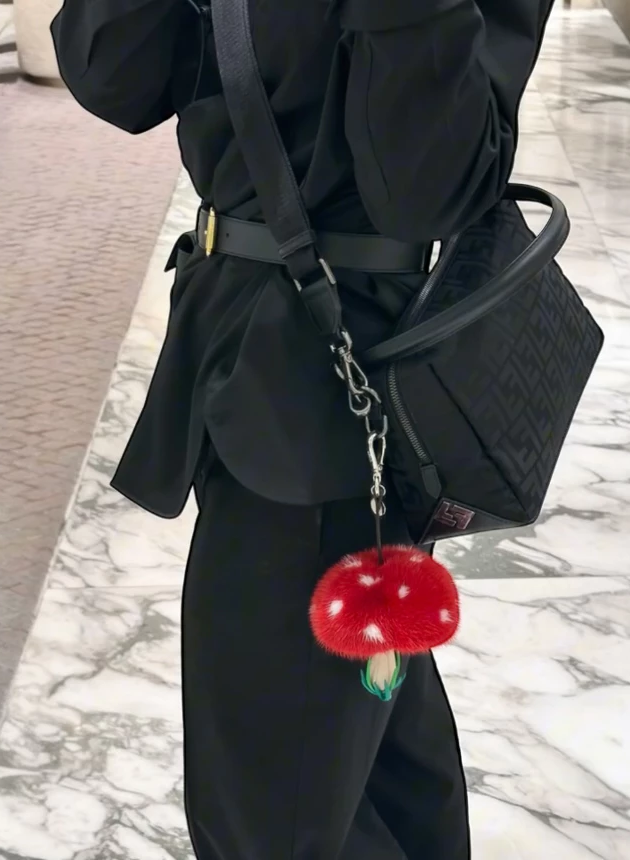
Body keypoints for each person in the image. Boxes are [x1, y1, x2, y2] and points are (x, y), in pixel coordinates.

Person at [51, 0, 554, 856]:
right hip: (235, 358)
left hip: (336, 393)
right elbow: (116, 75)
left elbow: (426, 188)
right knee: (375, 763)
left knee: (272, 811)